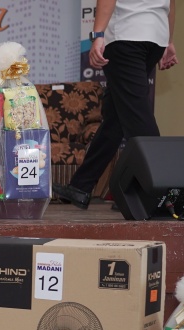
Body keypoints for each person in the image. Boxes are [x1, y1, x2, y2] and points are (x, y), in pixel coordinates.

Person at [54, 0, 178, 209]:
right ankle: (81, 186)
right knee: (116, 118)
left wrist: (97, 35)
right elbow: (171, 3)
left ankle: (162, 193)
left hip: (126, 35)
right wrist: (169, 40)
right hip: (155, 37)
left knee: (137, 117)